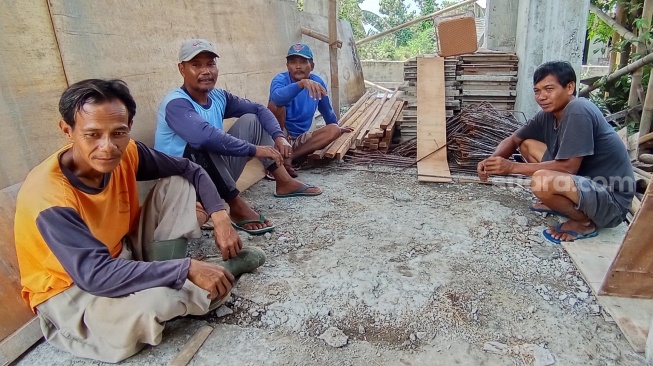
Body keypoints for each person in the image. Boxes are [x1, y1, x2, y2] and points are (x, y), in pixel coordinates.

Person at [14, 79, 265, 363]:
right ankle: (208, 278)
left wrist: (221, 217)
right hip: (73, 289)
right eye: (92, 135)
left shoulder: (128, 152)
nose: (107, 147)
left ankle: (176, 277)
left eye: (118, 132)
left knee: (178, 184)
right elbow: (94, 275)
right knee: (158, 303)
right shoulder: (49, 196)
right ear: (67, 130)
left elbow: (191, 170)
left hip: (122, 254)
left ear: (129, 125)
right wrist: (186, 267)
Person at [155, 39, 321, 235]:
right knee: (206, 141)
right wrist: (255, 149)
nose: (206, 71)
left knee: (253, 118)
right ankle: (236, 206)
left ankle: (284, 181)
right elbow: (203, 137)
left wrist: (279, 137)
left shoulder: (218, 97)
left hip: (213, 178)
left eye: (210, 64)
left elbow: (259, 109)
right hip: (184, 186)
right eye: (196, 65)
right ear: (182, 69)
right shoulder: (176, 103)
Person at [476, 61, 634, 244]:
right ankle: (559, 202)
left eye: (549, 89)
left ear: (569, 87)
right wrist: (492, 160)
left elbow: (568, 168)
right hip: (585, 185)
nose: (542, 96)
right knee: (527, 144)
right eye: (537, 91)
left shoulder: (578, 110)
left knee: (542, 180)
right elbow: (515, 139)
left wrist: (511, 167)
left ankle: (584, 222)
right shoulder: (548, 115)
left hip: (611, 202)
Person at [267, 43, 352, 176]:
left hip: (300, 138)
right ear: (287, 66)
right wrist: (301, 84)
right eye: (293, 62)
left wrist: (337, 128)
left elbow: (327, 110)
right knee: (275, 105)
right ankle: (278, 155)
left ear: (311, 66)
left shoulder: (317, 82)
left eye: (303, 62)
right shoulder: (280, 79)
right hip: (278, 136)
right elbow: (277, 99)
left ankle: (290, 157)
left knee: (333, 129)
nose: (298, 66)